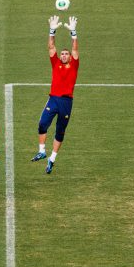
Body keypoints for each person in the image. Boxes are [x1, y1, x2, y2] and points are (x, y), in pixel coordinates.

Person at [31, 14, 79, 174]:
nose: (64, 55)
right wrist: (52, 31)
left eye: (67, 54)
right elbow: (51, 47)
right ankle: (42, 151)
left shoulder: (74, 65)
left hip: (66, 102)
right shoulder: (56, 62)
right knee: (42, 124)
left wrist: (74, 33)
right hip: (54, 100)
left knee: (60, 131)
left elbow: (75, 49)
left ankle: (52, 159)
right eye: (63, 54)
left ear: (70, 57)